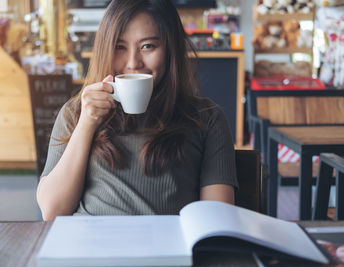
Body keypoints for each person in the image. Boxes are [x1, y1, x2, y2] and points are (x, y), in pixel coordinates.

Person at [36, 0, 238, 221]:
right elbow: (51, 211)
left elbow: (216, 219)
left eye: (148, 46)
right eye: (119, 47)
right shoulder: (76, 112)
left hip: (168, 251)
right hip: (91, 250)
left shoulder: (206, 118)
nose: (133, 63)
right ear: (105, 49)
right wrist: (87, 123)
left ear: (170, 50)